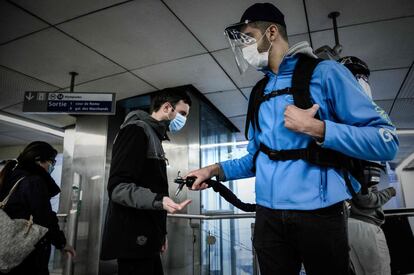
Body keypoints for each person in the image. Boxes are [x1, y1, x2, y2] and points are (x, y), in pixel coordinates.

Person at [187, 3, 399, 275]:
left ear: (271, 32)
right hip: (268, 218)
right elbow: (256, 158)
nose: (243, 49)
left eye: (247, 38)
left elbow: (386, 141)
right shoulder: (260, 92)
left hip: (320, 215)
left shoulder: (326, 73)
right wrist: (213, 170)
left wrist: (319, 129)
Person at [100, 88, 192, 275]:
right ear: (167, 107)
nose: (184, 119)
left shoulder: (153, 135)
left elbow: (150, 184)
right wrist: (161, 200)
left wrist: (160, 233)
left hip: (147, 234)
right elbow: (118, 187)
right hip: (133, 236)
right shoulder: (136, 130)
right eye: (182, 113)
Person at [339, 55, 396, 275]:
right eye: (359, 78)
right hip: (365, 225)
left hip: (348, 224)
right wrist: (390, 191)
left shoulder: (342, 132)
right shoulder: (366, 134)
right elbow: (366, 197)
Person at [0, 141, 75, 275]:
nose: (52, 166)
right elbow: (44, 218)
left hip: (7, 246)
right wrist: (62, 243)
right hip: (26, 252)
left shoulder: (10, 177)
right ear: (39, 161)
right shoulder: (34, 181)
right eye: (51, 161)